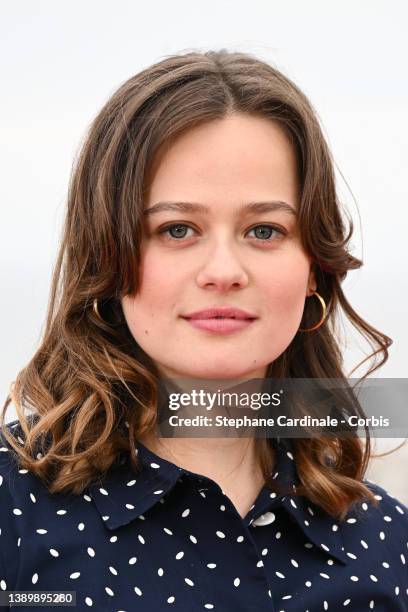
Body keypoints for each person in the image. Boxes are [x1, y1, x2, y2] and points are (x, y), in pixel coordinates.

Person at [0, 49, 407, 612]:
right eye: (177, 229)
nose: (223, 272)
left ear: (315, 263)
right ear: (108, 255)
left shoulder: (388, 542)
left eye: (264, 230)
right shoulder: (12, 508)